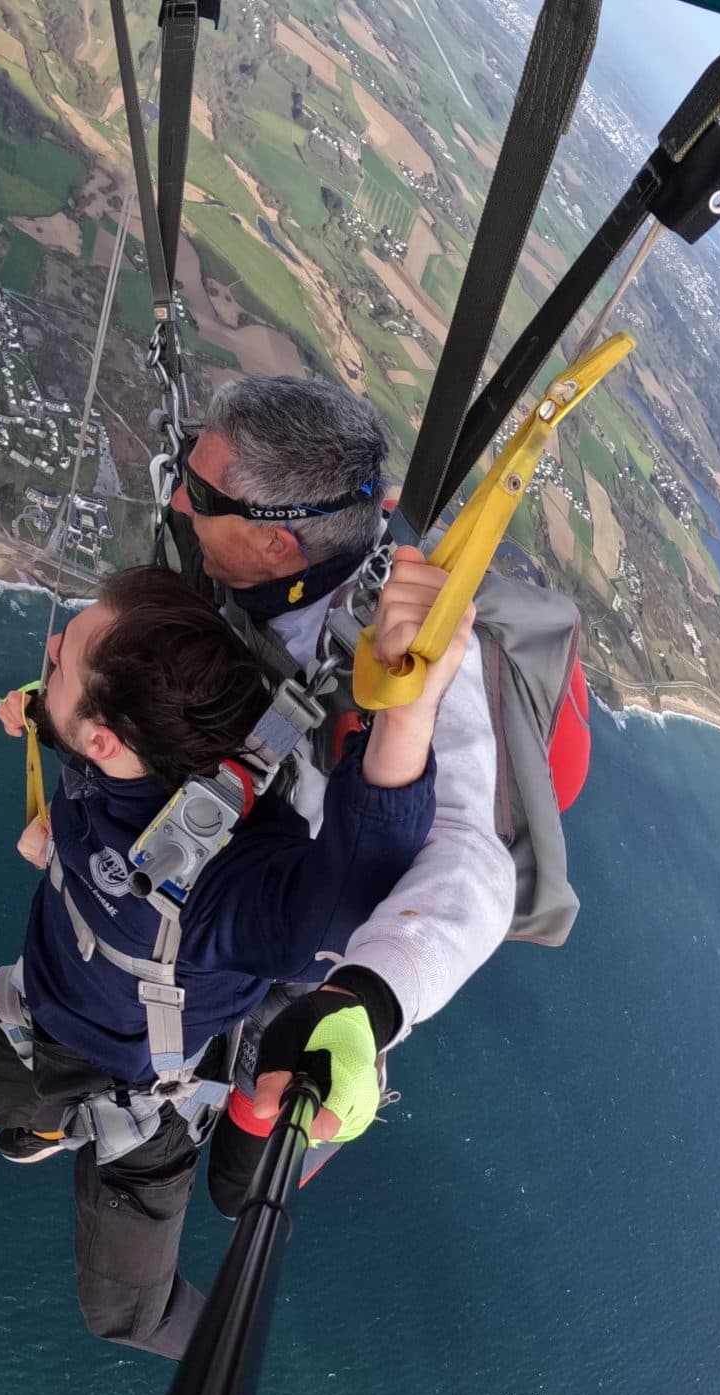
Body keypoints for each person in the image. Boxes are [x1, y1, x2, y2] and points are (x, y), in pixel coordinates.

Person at [0, 566, 465, 1356]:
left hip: (142, 1100)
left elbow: (350, 887)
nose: (48, 649)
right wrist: (40, 704)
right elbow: (78, 715)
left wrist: (410, 709)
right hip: (44, 1013)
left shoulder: (227, 888)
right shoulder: (119, 742)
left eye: (57, 662)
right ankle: (54, 1122)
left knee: (123, 1313)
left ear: (106, 740)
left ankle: (225, 1346)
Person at [167, 376, 516, 1183]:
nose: (181, 507)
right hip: (243, 881)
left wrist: (370, 996)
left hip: (320, 953)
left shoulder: (412, 657)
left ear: (276, 545)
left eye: (198, 493)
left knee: (242, 1181)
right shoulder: (246, 560)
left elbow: (475, 856)